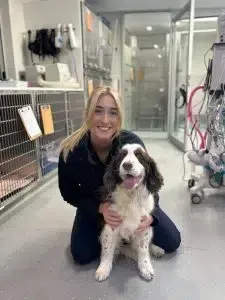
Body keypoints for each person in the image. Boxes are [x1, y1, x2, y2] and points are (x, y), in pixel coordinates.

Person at [58, 86, 181, 265]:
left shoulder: (133, 143)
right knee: (82, 254)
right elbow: (68, 192)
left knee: (172, 241)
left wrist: (150, 216)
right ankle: (118, 242)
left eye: (113, 113)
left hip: (134, 203)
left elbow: (150, 180)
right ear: (88, 114)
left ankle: (130, 240)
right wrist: (98, 208)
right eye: (98, 111)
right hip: (94, 205)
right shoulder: (70, 151)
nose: (105, 120)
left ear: (120, 117)